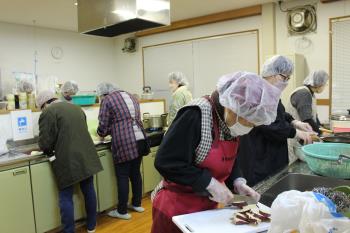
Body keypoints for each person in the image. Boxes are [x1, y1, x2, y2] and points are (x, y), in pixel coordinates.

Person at [151, 71, 282, 233]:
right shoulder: (195, 114)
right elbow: (166, 162)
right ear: (233, 107)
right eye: (249, 121)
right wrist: (208, 182)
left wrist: (237, 182)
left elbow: (230, 160)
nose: (250, 127)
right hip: (175, 209)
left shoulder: (230, 124)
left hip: (206, 209)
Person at [237, 55, 316, 186]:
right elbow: (269, 125)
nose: (286, 82)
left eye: (288, 78)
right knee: (262, 189)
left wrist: (293, 121)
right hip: (260, 153)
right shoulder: (258, 93)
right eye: (284, 77)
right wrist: (296, 133)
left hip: (273, 150)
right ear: (272, 74)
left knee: (276, 182)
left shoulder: (271, 91)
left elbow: (279, 112)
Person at [36, 90, 103, 233]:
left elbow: (45, 143)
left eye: (41, 108)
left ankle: (69, 230)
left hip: (67, 159)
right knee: (89, 189)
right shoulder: (76, 107)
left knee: (65, 196)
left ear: (44, 104)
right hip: (86, 154)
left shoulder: (48, 112)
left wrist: (43, 147)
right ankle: (91, 226)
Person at [96, 82, 150, 220]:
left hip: (125, 140)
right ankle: (137, 204)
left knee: (123, 175)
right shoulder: (130, 96)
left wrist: (101, 134)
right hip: (140, 139)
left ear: (103, 93)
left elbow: (103, 123)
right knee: (135, 173)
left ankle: (122, 211)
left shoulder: (108, 100)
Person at [287, 70, 329, 162]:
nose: (325, 86)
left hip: (303, 137)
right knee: (295, 164)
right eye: (325, 84)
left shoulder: (311, 94)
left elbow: (314, 117)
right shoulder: (304, 94)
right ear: (318, 83)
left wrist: (320, 127)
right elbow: (307, 119)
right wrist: (320, 134)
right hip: (295, 138)